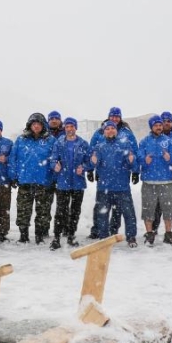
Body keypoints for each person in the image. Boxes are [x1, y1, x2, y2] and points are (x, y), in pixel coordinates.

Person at [88, 107, 139, 239]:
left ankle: (123, 233)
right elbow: (92, 154)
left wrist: (135, 170)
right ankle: (101, 234)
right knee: (101, 212)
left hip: (122, 182)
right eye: (112, 116)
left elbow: (133, 155)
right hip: (104, 182)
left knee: (126, 211)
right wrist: (91, 168)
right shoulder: (99, 140)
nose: (114, 119)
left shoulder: (126, 138)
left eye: (117, 116)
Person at [9, 113, 56, 244]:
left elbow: (56, 159)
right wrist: (13, 176)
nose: (36, 126)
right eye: (33, 123)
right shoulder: (21, 140)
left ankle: (40, 236)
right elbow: (13, 158)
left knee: (43, 211)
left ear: (43, 125)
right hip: (25, 181)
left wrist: (54, 178)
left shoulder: (50, 140)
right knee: (23, 210)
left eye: (39, 123)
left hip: (44, 182)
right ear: (29, 125)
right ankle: (23, 236)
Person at [138, 116, 172, 245]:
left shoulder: (168, 141)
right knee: (148, 209)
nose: (159, 127)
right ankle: (149, 233)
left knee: (168, 209)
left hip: (166, 180)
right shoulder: (144, 141)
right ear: (151, 127)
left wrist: (170, 157)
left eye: (160, 125)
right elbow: (138, 157)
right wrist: (145, 160)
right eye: (156, 125)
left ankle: (168, 233)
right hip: (149, 181)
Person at [49, 117, 90, 250]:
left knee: (75, 211)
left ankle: (71, 236)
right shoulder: (59, 143)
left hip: (78, 182)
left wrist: (83, 167)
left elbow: (89, 161)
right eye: (67, 126)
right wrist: (55, 165)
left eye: (72, 126)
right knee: (61, 211)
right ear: (64, 128)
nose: (69, 129)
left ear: (75, 128)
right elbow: (53, 159)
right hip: (63, 182)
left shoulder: (83, 143)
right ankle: (56, 238)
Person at [151, 111, 172, 236]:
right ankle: (153, 229)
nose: (166, 123)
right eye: (164, 121)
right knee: (158, 204)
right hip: (160, 176)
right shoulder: (154, 137)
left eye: (169, 121)